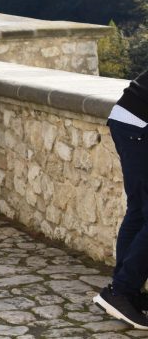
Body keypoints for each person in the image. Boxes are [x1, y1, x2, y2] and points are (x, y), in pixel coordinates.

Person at [94, 68, 148, 329]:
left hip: (128, 119)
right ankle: (121, 291)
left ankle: (124, 290)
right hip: (138, 125)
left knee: (138, 210)